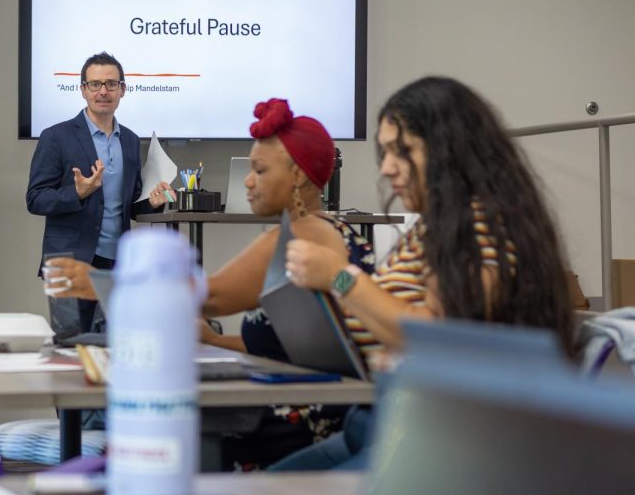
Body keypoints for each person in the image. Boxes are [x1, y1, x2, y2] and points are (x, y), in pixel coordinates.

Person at [46, 98, 375, 468]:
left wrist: (100, 284)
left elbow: (211, 297)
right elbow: (298, 348)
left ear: (298, 176)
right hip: (332, 413)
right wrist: (217, 340)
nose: (248, 182)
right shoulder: (336, 231)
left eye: (260, 171)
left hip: (300, 422)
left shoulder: (298, 237)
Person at [275, 75, 575, 470]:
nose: (388, 168)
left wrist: (339, 277)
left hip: (436, 441)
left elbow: (437, 335)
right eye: (384, 153)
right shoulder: (435, 226)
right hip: (381, 422)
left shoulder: (479, 224)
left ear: (451, 150)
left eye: (403, 151)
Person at [26, 52, 171, 333]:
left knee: (117, 343)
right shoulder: (56, 137)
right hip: (69, 261)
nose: (103, 91)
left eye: (111, 84)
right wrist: (77, 193)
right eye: (94, 84)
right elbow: (35, 199)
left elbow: (130, 206)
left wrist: (152, 203)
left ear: (123, 90)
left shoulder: (129, 140)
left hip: (118, 262)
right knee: (71, 345)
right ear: (82, 90)